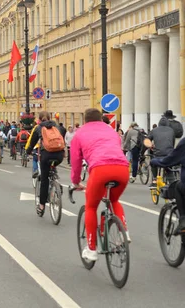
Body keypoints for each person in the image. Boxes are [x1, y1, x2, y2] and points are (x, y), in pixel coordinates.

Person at [70, 108, 130, 261]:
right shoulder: (112, 131)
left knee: (91, 207)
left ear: (85, 120)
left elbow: (76, 161)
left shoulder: (79, 134)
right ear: (101, 118)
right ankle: (124, 233)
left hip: (100, 169)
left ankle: (91, 250)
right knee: (114, 200)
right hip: (122, 168)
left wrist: (76, 181)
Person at [25, 111, 65, 217]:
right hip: (59, 155)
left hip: (46, 155)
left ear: (39, 119)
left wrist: (28, 152)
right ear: (49, 118)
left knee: (44, 179)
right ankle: (57, 182)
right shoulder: (57, 127)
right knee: (53, 166)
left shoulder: (38, 128)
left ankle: (42, 205)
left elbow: (32, 142)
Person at [150, 137, 185, 233]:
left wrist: (154, 161)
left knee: (177, 186)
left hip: (161, 156)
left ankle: (183, 220)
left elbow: (168, 161)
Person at [147, 117, 176, 189]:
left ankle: (154, 180)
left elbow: (147, 140)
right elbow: (172, 143)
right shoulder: (171, 130)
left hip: (158, 155)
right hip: (169, 155)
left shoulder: (154, 130)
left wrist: (150, 146)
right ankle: (172, 183)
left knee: (153, 162)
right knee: (168, 167)